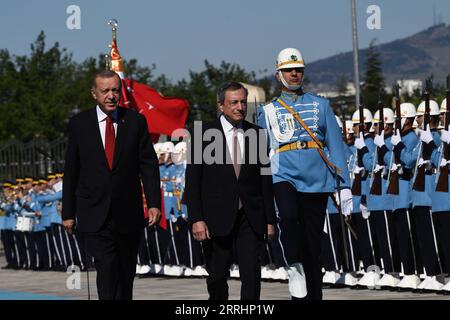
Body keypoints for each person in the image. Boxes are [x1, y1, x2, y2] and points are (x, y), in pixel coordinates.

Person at [257, 48, 352, 300]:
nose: (295, 74)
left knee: (313, 240)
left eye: (298, 69)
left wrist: (345, 185)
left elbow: (335, 144)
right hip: (283, 174)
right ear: (279, 75)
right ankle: (293, 264)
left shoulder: (321, 105)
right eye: (289, 70)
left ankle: (314, 292)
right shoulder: (267, 111)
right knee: (287, 218)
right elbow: (259, 153)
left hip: (316, 177)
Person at [62, 70, 161, 300]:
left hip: (128, 213)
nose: (111, 95)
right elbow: (72, 171)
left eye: (115, 90)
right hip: (94, 212)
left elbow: (148, 165)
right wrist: (68, 212)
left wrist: (154, 203)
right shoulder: (79, 124)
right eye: (105, 91)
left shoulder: (135, 121)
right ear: (94, 93)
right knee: (106, 267)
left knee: (125, 273)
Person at [185, 81, 276, 300]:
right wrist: (196, 219)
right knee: (216, 277)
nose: (240, 107)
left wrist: (270, 219)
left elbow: (265, 180)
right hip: (215, 218)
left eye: (243, 102)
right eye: (233, 102)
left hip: (250, 217)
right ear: (221, 106)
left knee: (252, 275)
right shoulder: (202, 134)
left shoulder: (257, 134)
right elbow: (193, 181)